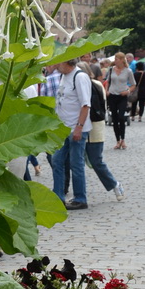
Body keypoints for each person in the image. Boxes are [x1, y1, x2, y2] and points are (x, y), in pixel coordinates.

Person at [49, 57, 91, 209]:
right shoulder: (64, 76)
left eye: (59, 61)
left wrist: (79, 127)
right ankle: (58, 196)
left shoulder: (79, 77)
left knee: (76, 164)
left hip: (75, 128)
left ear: (66, 62)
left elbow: (85, 105)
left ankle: (80, 198)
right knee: (57, 161)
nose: (56, 65)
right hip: (63, 128)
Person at [86, 65, 124, 200]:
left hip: (93, 128)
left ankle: (114, 184)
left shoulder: (95, 85)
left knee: (96, 161)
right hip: (84, 128)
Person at [105, 51, 135, 148]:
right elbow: (108, 81)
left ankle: (123, 139)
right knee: (114, 118)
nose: (115, 61)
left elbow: (133, 85)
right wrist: (106, 91)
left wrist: (128, 91)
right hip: (112, 95)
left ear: (122, 60)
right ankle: (117, 140)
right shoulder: (111, 69)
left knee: (121, 117)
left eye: (116, 59)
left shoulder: (128, 71)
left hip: (122, 96)